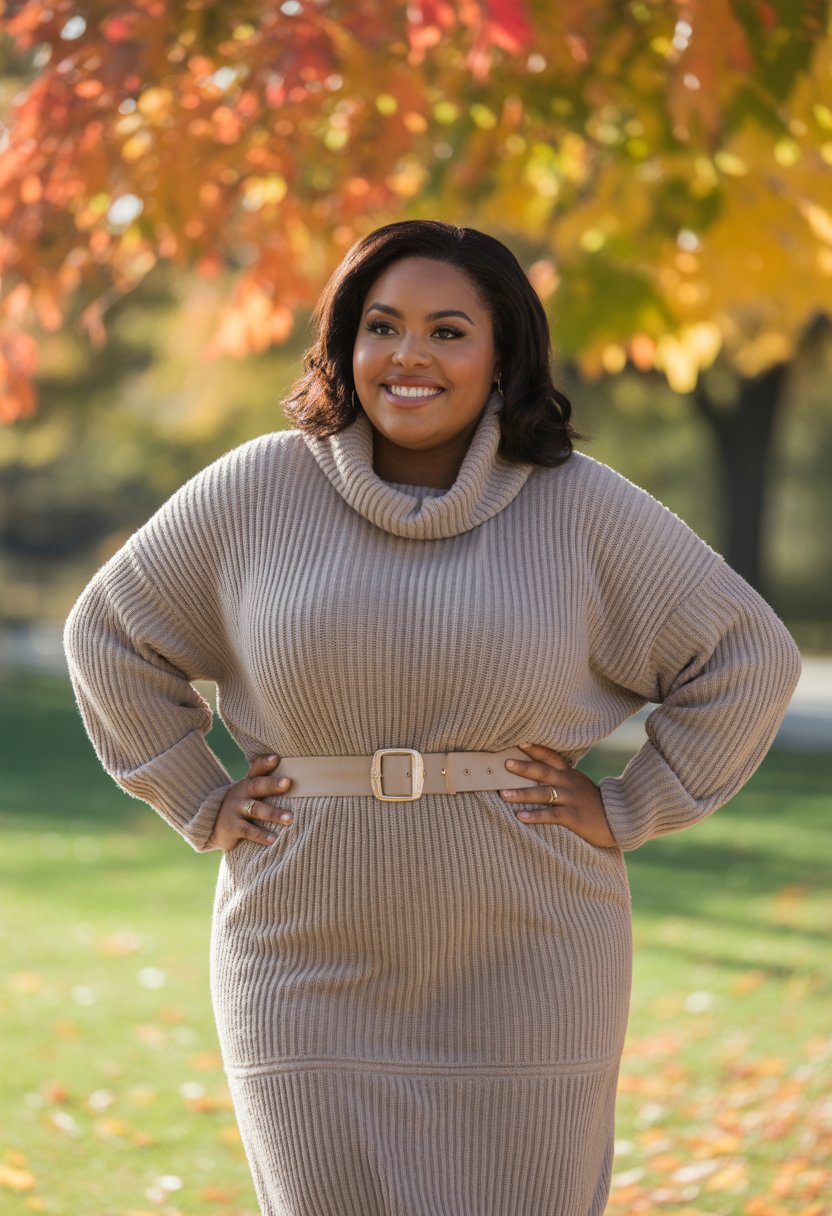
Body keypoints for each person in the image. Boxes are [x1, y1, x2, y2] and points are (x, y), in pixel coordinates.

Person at [63, 220, 801, 1216]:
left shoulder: (580, 506)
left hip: (531, 949)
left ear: (502, 355)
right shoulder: (256, 489)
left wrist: (634, 803)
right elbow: (111, 633)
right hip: (302, 946)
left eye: (448, 330)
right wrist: (197, 796)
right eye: (382, 326)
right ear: (345, 344)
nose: (409, 354)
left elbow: (744, 656)